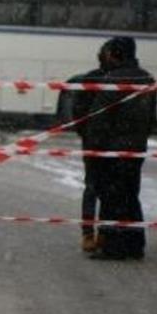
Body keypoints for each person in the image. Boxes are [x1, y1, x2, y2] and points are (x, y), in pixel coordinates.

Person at [76, 37, 156, 260]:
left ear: (115, 53)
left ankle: (113, 246)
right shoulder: (147, 78)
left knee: (112, 200)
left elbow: (99, 119)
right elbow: (151, 118)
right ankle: (135, 244)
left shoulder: (113, 80)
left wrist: (93, 148)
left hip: (111, 150)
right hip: (135, 148)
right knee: (131, 197)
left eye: (109, 52)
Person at [57, 44, 108, 253]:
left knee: (94, 188)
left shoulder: (94, 79)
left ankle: (91, 234)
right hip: (111, 145)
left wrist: (86, 134)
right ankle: (103, 234)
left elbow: (79, 114)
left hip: (96, 144)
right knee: (109, 191)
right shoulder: (125, 79)